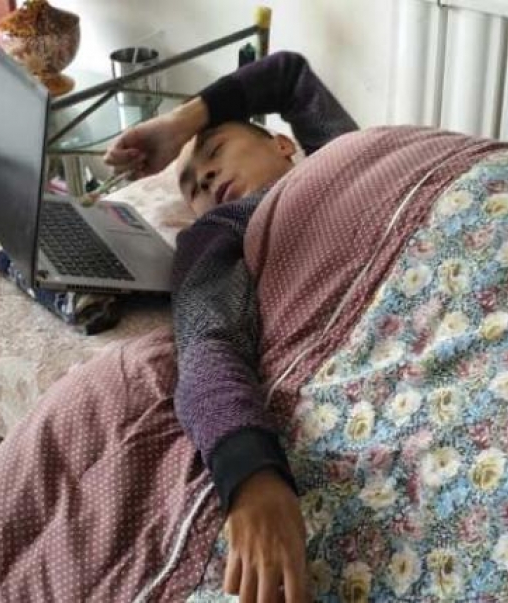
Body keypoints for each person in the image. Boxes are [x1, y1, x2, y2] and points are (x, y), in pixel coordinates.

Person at [105, 51, 357, 603]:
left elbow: (289, 75)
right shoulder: (219, 230)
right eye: (192, 187)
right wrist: (250, 475)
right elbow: (206, 340)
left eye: (216, 152)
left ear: (284, 144)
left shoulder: (344, 154)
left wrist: (181, 126)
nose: (206, 177)